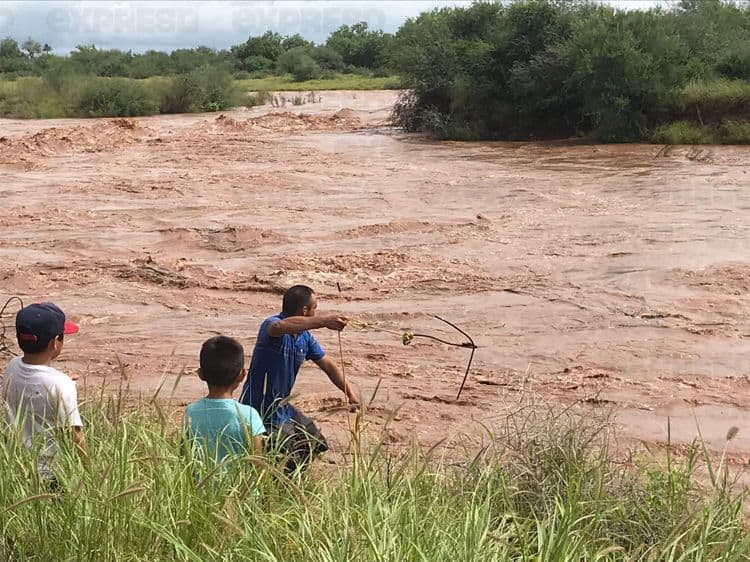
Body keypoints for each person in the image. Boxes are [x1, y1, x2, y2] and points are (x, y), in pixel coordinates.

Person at [240, 285, 360, 473]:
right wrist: (324, 321)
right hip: (260, 408)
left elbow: (328, 365)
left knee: (315, 443)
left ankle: (294, 480)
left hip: (283, 407)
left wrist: (350, 393)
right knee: (287, 456)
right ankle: (280, 487)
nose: (316, 312)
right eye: (315, 308)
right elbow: (280, 327)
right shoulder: (271, 324)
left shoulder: (305, 338)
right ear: (304, 310)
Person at [2, 302, 85, 489]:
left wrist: (62, 380)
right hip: (52, 477)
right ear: (55, 342)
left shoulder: (11, 367)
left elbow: (32, 386)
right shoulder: (61, 386)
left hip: (19, 468)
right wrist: (89, 472)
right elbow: (75, 436)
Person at [185, 335, 265, 463]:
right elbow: (258, 464)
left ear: (201, 374)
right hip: (239, 483)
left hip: (198, 483)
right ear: (242, 375)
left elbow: (185, 457)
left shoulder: (190, 412)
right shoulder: (249, 415)